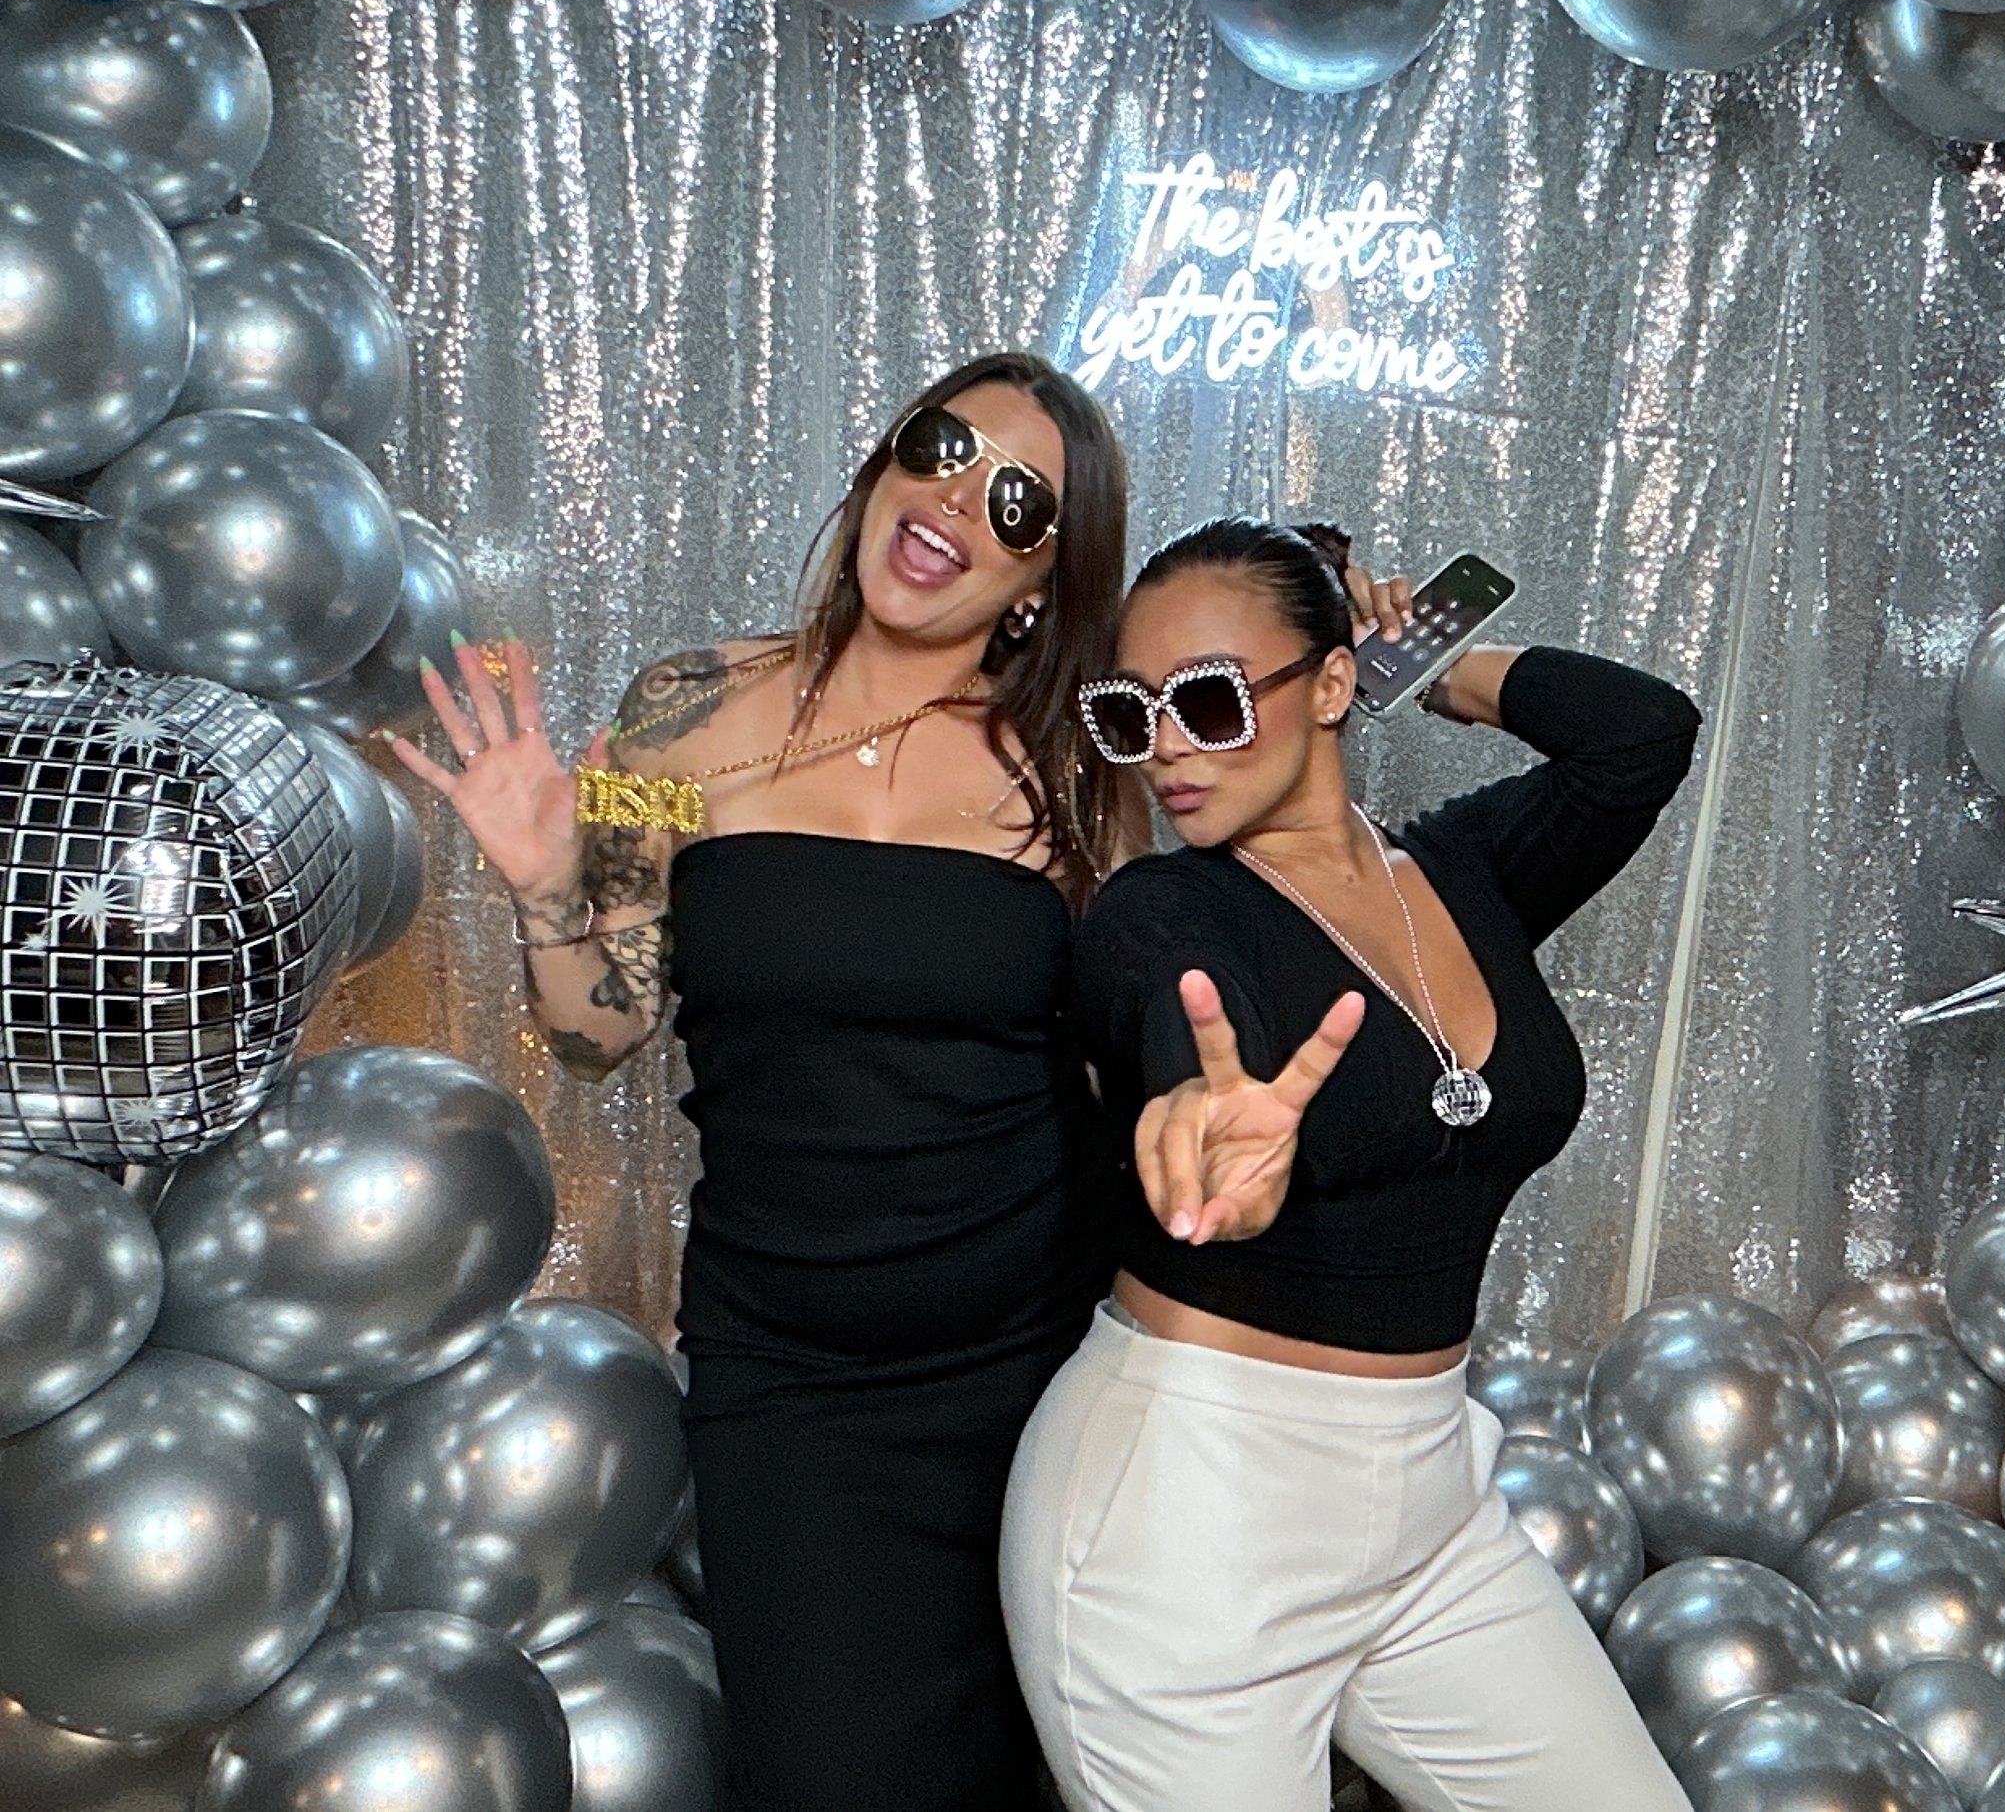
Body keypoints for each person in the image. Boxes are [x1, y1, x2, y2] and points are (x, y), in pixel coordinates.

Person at [389, 351, 1132, 1812]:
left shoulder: (1075, 763)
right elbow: (607, 1026)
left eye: (1020, 503)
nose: (956, 503)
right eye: (940, 446)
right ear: (881, 465)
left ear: (1044, 578)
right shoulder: (683, 713)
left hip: (1044, 1372)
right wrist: (548, 885)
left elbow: (1162, 1018)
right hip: (790, 1374)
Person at [1000, 517, 1704, 1812]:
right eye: (1129, 713)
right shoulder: (1164, 913)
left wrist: (1433, 663)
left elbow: (1642, 733)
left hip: (1432, 1498)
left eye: (1208, 700)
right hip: (1188, 1519)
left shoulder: (1465, 872)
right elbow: (1180, 1032)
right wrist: (1208, 1147)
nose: (1167, 748)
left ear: (1333, 686)